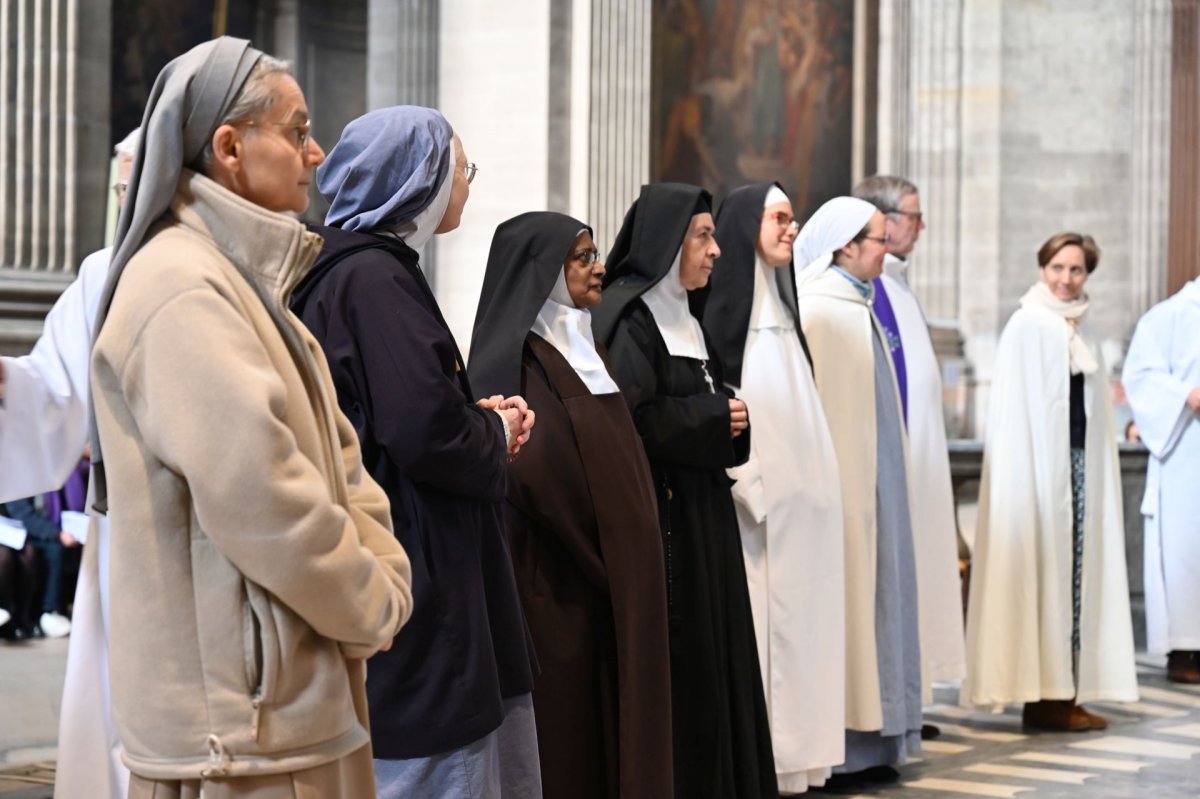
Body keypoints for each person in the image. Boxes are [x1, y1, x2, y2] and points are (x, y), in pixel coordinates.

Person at [89, 37, 414, 797]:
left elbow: (343, 464)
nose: (317, 150)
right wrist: (369, 603)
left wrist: (384, 579)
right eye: (298, 130)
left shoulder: (252, 284)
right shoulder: (181, 288)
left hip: (287, 709)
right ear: (231, 146)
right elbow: (265, 499)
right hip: (239, 738)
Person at [290, 105, 540, 799]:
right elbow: (423, 433)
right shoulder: (375, 278)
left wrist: (470, 416)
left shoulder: (352, 269)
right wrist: (494, 431)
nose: (467, 185)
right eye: (461, 170)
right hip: (418, 556)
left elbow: (401, 407)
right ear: (420, 183)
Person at [468, 211, 673, 798]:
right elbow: (534, 473)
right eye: (582, 257)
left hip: (614, 578)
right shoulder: (514, 360)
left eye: (594, 254)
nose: (598, 267)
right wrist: (603, 553)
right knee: (570, 732)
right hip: (557, 580)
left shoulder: (590, 346)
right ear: (543, 271)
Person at [591, 182, 777, 799]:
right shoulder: (630, 318)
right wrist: (712, 418)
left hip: (706, 520)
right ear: (668, 243)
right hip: (665, 521)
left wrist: (727, 416)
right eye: (703, 236)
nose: (717, 250)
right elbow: (632, 421)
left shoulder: (688, 319)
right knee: (685, 665)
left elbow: (695, 404)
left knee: (718, 659)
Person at [0, 127, 139, 798]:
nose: (123, 197)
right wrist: (6, 382)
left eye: (131, 179)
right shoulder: (102, 273)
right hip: (134, 530)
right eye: (117, 185)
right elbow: (54, 392)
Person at [703, 182, 845, 794]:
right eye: (780, 219)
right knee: (770, 641)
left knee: (807, 640)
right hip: (759, 520)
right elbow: (728, 415)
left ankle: (805, 760)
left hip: (808, 524)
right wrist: (755, 489)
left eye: (793, 220)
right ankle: (772, 763)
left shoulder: (786, 315)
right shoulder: (728, 323)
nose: (792, 229)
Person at [963, 232, 1137, 730]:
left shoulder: (1081, 325)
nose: (1066, 279)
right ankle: (1044, 696)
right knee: (1046, 576)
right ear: (1042, 269)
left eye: (1076, 270)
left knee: (1076, 580)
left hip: (1079, 468)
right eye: (1057, 268)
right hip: (1040, 478)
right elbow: (1020, 416)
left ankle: (1068, 689)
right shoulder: (1028, 324)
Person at [793, 196, 923, 790]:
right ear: (846, 245)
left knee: (881, 596)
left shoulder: (860, 305)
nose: (887, 245)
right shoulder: (821, 310)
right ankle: (845, 747)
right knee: (848, 605)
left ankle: (879, 739)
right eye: (877, 237)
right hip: (843, 489)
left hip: (878, 482)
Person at [852, 175, 966, 720]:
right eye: (914, 217)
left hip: (917, 459)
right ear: (885, 220)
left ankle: (910, 699)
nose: (922, 227)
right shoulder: (863, 290)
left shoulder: (896, 287)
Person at [1122, 276, 1200, 683]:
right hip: (1185, 450)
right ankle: (1185, 650)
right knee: (1185, 550)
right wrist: (1186, 394)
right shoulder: (1170, 315)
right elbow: (1140, 375)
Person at [0, 494, 78, 637]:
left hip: (22, 532)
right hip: (14, 529)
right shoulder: (18, 480)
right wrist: (57, 534)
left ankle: (27, 617)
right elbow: (21, 513)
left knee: (34, 552)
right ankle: (8, 609)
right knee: (7, 555)